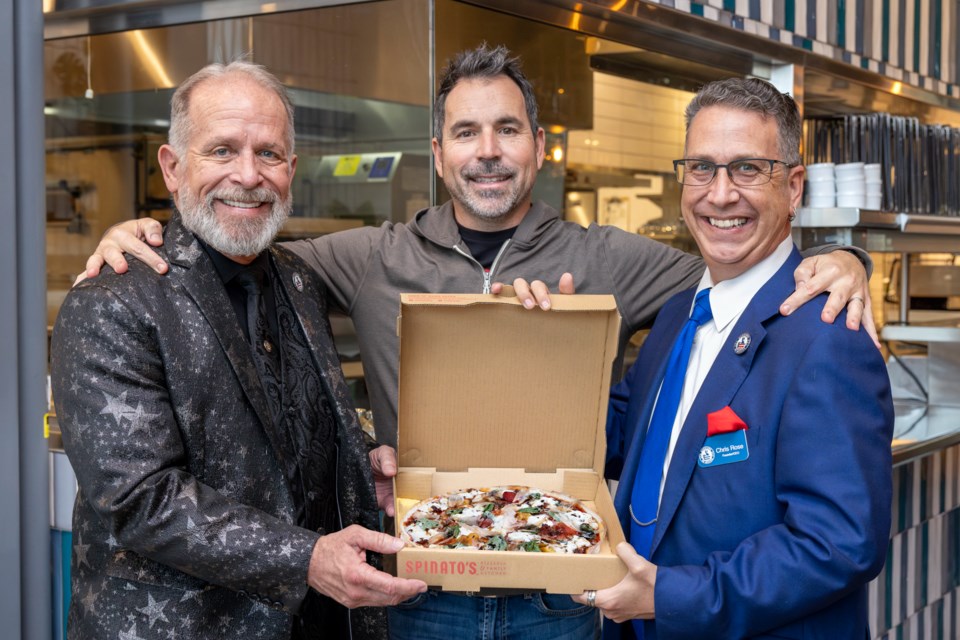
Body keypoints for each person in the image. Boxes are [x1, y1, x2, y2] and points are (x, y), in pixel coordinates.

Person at [79, 46, 873, 640]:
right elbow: (234, 254)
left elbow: (738, 276)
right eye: (465, 132)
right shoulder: (363, 257)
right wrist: (147, 228)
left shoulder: (615, 261)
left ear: (537, 145)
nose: (487, 150)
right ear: (438, 153)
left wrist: (843, 261)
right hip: (422, 592)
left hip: (564, 598)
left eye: (506, 130)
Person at [51, 61, 426, 640]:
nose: (248, 175)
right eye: (222, 150)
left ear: (291, 170)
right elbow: (140, 498)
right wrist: (307, 559)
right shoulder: (112, 301)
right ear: (173, 168)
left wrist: (356, 463)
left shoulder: (297, 279)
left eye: (269, 154)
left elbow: (281, 438)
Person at [579, 78, 893, 639]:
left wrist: (671, 596)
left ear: (794, 188)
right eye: (701, 167)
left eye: (748, 168)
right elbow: (615, 433)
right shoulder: (679, 314)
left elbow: (838, 543)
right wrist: (535, 342)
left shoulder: (829, 335)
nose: (719, 194)